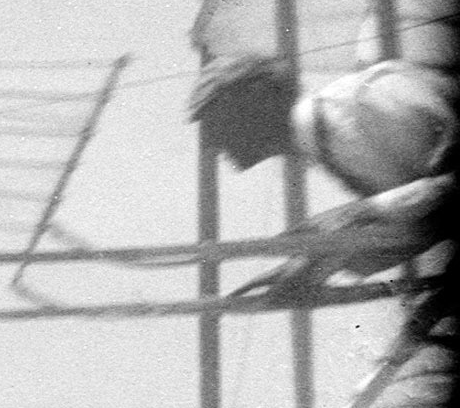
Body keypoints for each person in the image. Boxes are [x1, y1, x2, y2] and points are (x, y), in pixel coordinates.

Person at [189, 53, 457, 302]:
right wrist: (318, 268)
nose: (210, 144)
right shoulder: (326, 143)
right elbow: (431, 219)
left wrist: (358, 215)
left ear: (252, 107)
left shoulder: (364, 97)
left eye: (216, 124)